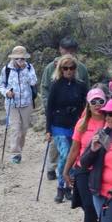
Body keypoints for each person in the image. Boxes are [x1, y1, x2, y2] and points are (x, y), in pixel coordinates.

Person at [63, 88, 108, 222]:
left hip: (103, 169)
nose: (97, 105)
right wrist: (66, 171)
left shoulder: (110, 121)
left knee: (103, 208)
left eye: (100, 101)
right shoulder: (82, 123)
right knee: (89, 206)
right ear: (88, 104)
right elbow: (75, 149)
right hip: (82, 168)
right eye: (93, 102)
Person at [40, 37, 89, 182]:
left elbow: (86, 93)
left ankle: (66, 180)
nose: (69, 70)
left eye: (71, 50)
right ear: (60, 49)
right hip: (57, 118)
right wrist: (49, 106)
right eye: (65, 50)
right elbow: (44, 88)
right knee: (59, 146)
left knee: (70, 149)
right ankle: (52, 168)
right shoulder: (51, 68)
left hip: (74, 120)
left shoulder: (81, 69)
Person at [45, 55, 88, 203]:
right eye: (66, 68)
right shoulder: (56, 85)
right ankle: (61, 186)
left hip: (75, 125)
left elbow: (86, 107)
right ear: (60, 69)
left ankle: (68, 187)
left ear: (76, 69)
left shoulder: (81, 85)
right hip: (58, 125)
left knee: (73, 156)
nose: (69, 71)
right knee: (65, 154)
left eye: (72, 68)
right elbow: (49, 107)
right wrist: (48, 129)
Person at [0, 45, 38, 164]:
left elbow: (33, 81)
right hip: (11, 104)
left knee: (23, 130)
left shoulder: (29, 68)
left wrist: (25, 70)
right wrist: (6, 92)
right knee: (15, 129)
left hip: (26, 103)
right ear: (13, 58)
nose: (20, 60)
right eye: (18, 58)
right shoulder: (6, 69)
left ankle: (19, 149)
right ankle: (15, 153)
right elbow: (0, 84)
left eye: (23, 58)